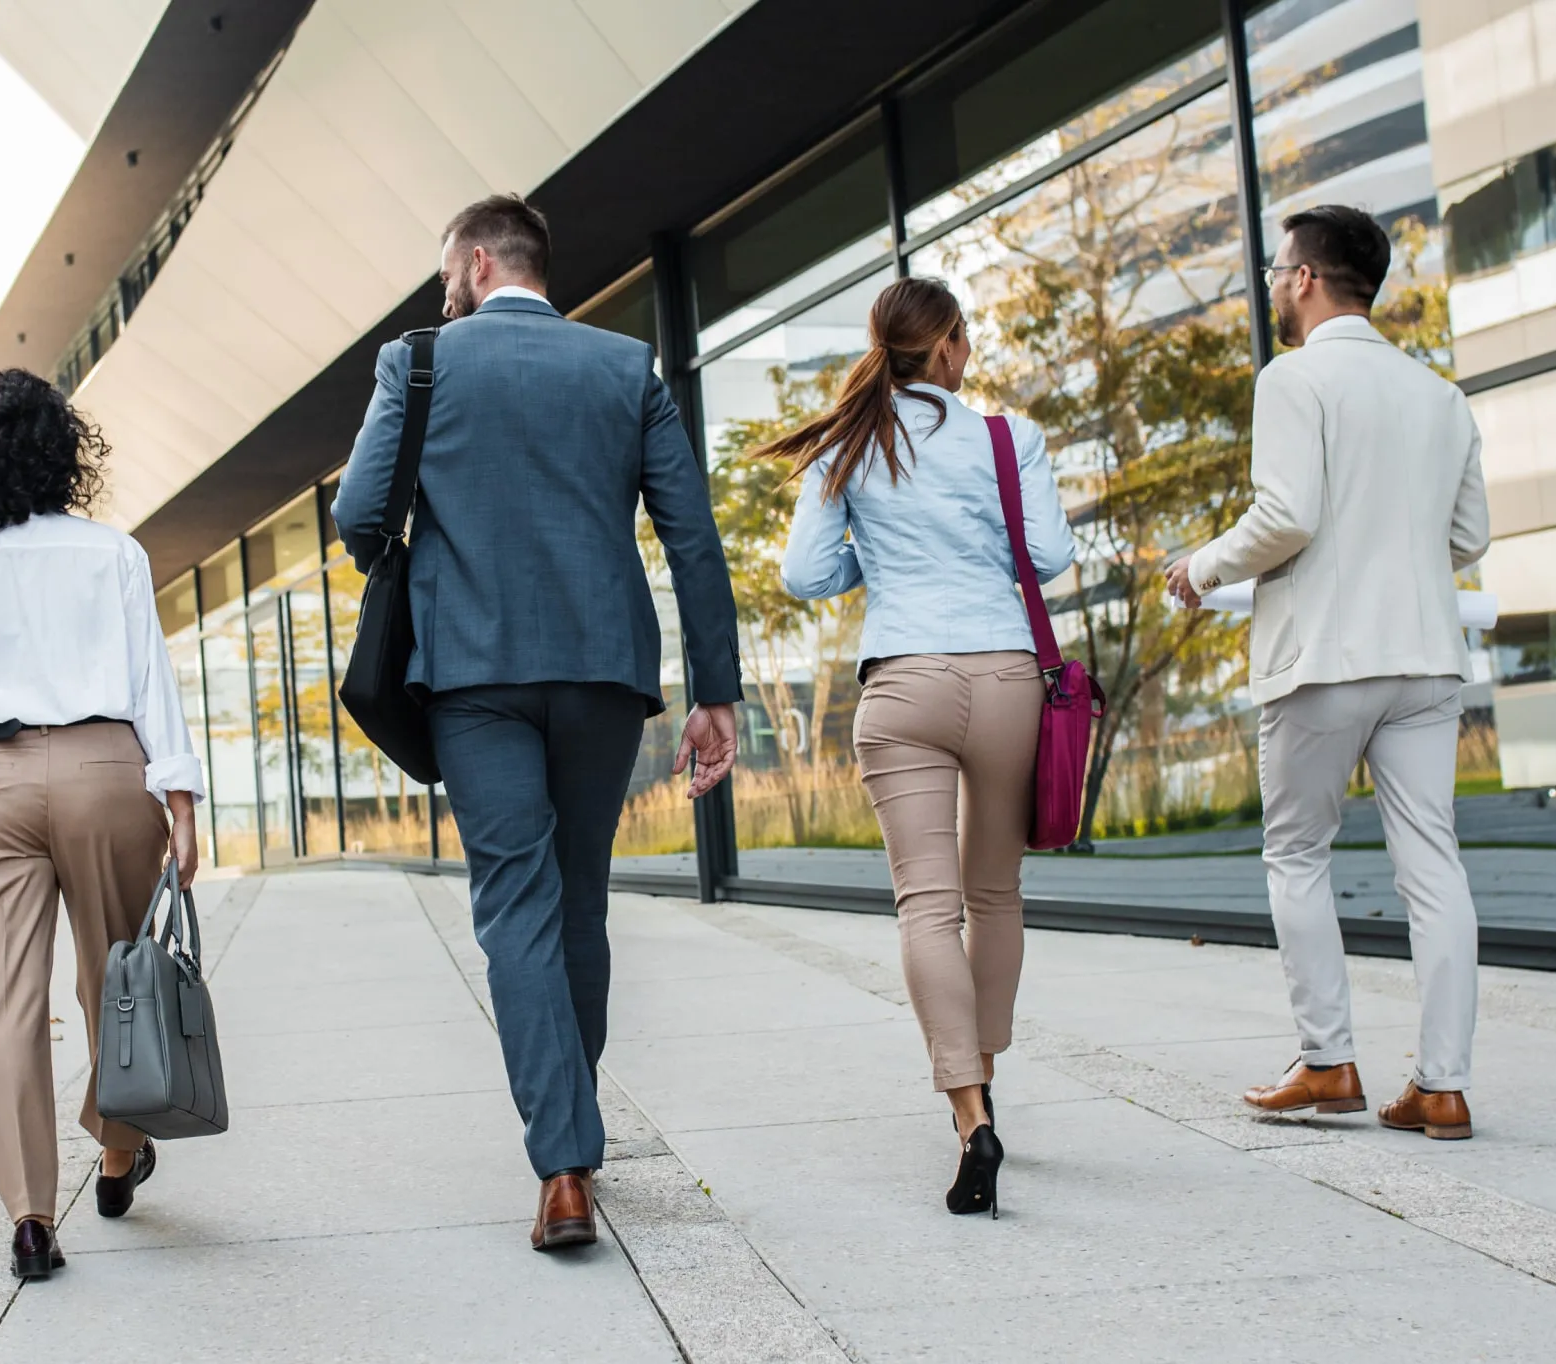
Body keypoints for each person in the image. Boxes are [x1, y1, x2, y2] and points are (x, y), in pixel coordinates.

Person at [332, 193, 742, 1252]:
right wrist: (716, 691)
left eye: (446, 278)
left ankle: (562, 1162)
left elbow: (357, 517)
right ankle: (573, 1122)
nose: (444, 295)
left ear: (475, 263)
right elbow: (691, 538)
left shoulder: (417, 363)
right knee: (579, 898)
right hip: (602, 668)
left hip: (471, 675)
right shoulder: (623, 368)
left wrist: (435, 558)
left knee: (514, 900)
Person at [1164, 204, 1490, 1140]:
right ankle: (1443, 1086)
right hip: (1426, 660)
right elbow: (1468, 538)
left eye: (1277, 271)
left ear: (1305, 279)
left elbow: (1287, 515)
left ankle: (1328, 1062)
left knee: (1298, 855)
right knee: (1433, 867)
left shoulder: (1294, 379)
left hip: (1324, 662)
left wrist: (1204, 565)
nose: (1272, 285)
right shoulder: (1441, 398)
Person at [0, 368, 205, 1281]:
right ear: (61, 452)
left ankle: (30, 1218)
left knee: (2, 1007)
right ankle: (114, 1153)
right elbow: (152, 682)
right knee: (120, 980)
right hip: (110, 769)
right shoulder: (110, 553)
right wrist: (179, 800)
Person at [767, 277, 1070, 1216]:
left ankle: (969, 1113)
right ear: (945, 349)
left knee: (927, 908)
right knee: (995, 894)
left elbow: (807, 572)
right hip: (1006, 677)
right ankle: (986, 1068)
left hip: (904, 682)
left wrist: (879, 550)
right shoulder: (1005, 437)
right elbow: (1052, 557)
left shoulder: (850, 443)